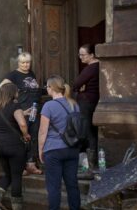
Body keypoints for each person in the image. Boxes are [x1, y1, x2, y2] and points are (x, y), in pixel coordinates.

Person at [38, 76, 81, 210]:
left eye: (47, 87)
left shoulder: (48, 106)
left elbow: (43, 131)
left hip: (53, 150)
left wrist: (40, 150)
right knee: (72, 184)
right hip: (72, 149)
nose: (46, 89)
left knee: (54, 187)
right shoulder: (74, 104)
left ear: (51, 88)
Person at [0, 52, 44, 175]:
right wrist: (13, 100)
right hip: (22, 111)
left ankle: (31, 164)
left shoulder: (31, 74)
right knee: (21, 138)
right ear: (18, 63)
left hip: (34, 111)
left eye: (28, 62)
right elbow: (2, 86)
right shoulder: (13, 74)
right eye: (23, 62)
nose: (25, 65)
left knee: (33, 136)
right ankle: (20, 166)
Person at [0, 83, 30, 210]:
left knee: (8, 175)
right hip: (14, 146)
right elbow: (22, 124)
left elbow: (9, 115)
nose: (18, 93)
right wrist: (26, 135)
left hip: (0, 145)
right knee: (17, 176)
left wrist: (23, 112)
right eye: (17, 91)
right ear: (13, 93)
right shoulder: (15, 106)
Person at [73, 44, 100, 173]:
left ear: (92, 55)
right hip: (92, 101)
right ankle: (91, 165)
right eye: (80, 54)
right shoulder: (99, 66)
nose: (80, 57)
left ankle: (92, 166)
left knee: (88, 131)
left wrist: (80, 88)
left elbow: (76, 83)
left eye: (83, 55)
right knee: (90, 130)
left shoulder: (90, 68)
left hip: (86, 102)